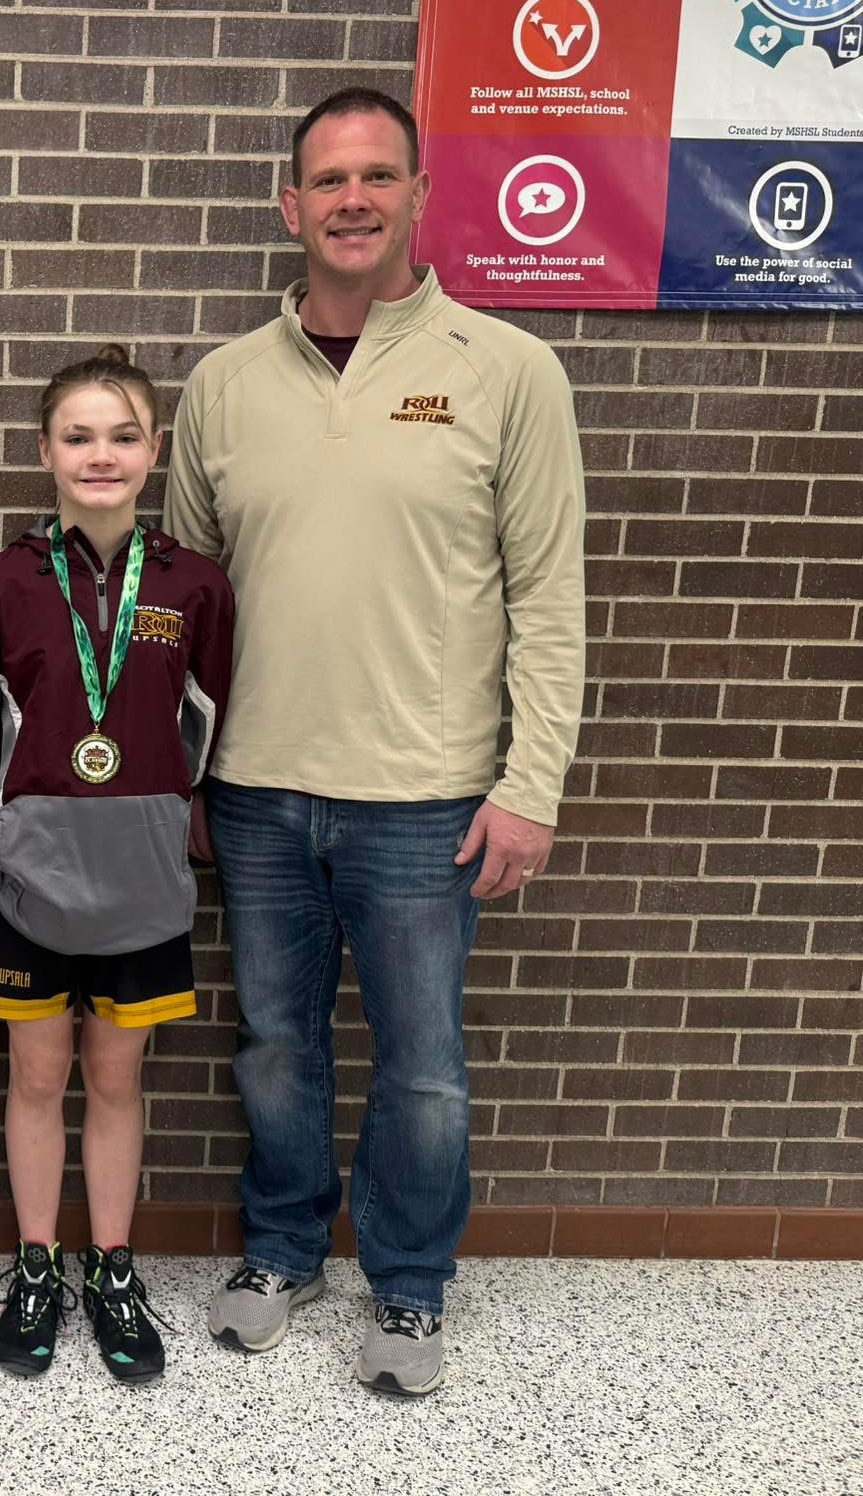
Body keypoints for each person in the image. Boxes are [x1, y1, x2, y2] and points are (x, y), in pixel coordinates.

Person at [165, 86, 586, 1396]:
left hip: (424, 802)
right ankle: (283, 1252)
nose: (352, 199)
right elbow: (178, 607)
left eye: (377, 177)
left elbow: (550, 598)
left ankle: (407, 1289)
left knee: (425, 1071)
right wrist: (173, 782)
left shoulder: (507, 370)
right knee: (276, 1046)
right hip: (257, 795)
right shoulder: (224, 386)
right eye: (328, 180)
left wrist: (532, 785)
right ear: (290, 208)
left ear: (419, 198)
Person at [0, 347, 234, 1383]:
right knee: (35, 1077)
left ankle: (111, 1266)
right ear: (43, 451)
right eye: (77, 435)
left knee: (115, 1079)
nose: (99, 455)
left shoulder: (196, 587)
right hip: (29, 877)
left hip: (144, 882)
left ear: (154, 450)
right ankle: (36, 1266)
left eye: (121, 436)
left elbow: (207, 728)